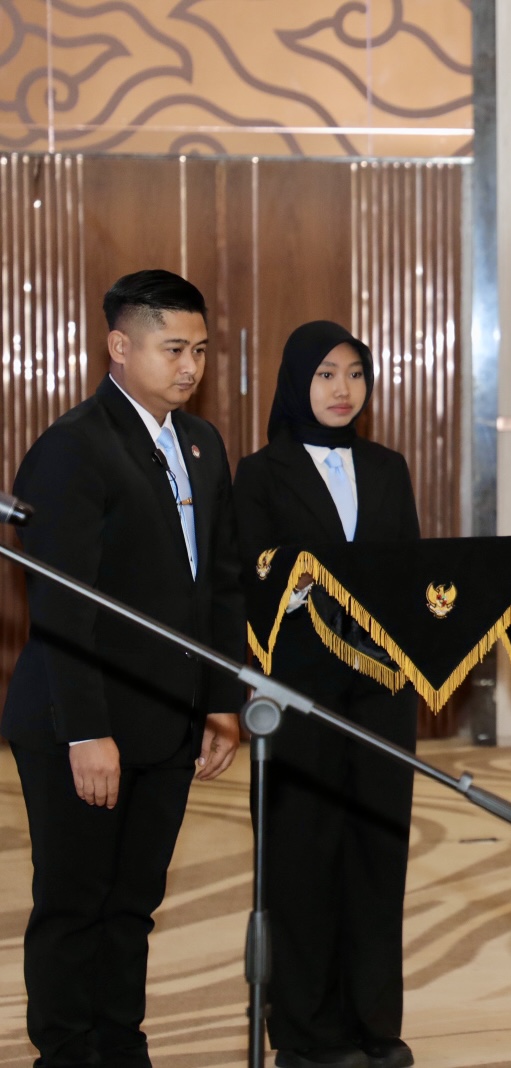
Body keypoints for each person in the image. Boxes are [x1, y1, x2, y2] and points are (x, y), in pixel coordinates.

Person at [1, 269, 244, 1068]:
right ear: (119, 346)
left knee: (134, 901)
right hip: (82, 721)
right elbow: (61, 607)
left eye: (200, 350)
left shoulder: (201, 445)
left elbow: (219, 583)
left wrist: (219, 698)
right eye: (172, 349)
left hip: (168, 716)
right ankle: (68, 1052)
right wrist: (87, 733)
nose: (190, 366)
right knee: (75, 902)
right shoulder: (73, 448)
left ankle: (119, 1044)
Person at [233, 322, 421, 1068]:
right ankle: (308, 1036)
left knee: (377, 857)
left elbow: (408, 574)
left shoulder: (387, 467)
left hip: (380, 692)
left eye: (354, 374)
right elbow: (251, 580)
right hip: (297, 695)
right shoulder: (260, 473)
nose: (343, 390)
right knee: (302, 861)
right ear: (295, 382)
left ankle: (375, 1023)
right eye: (325, 375)